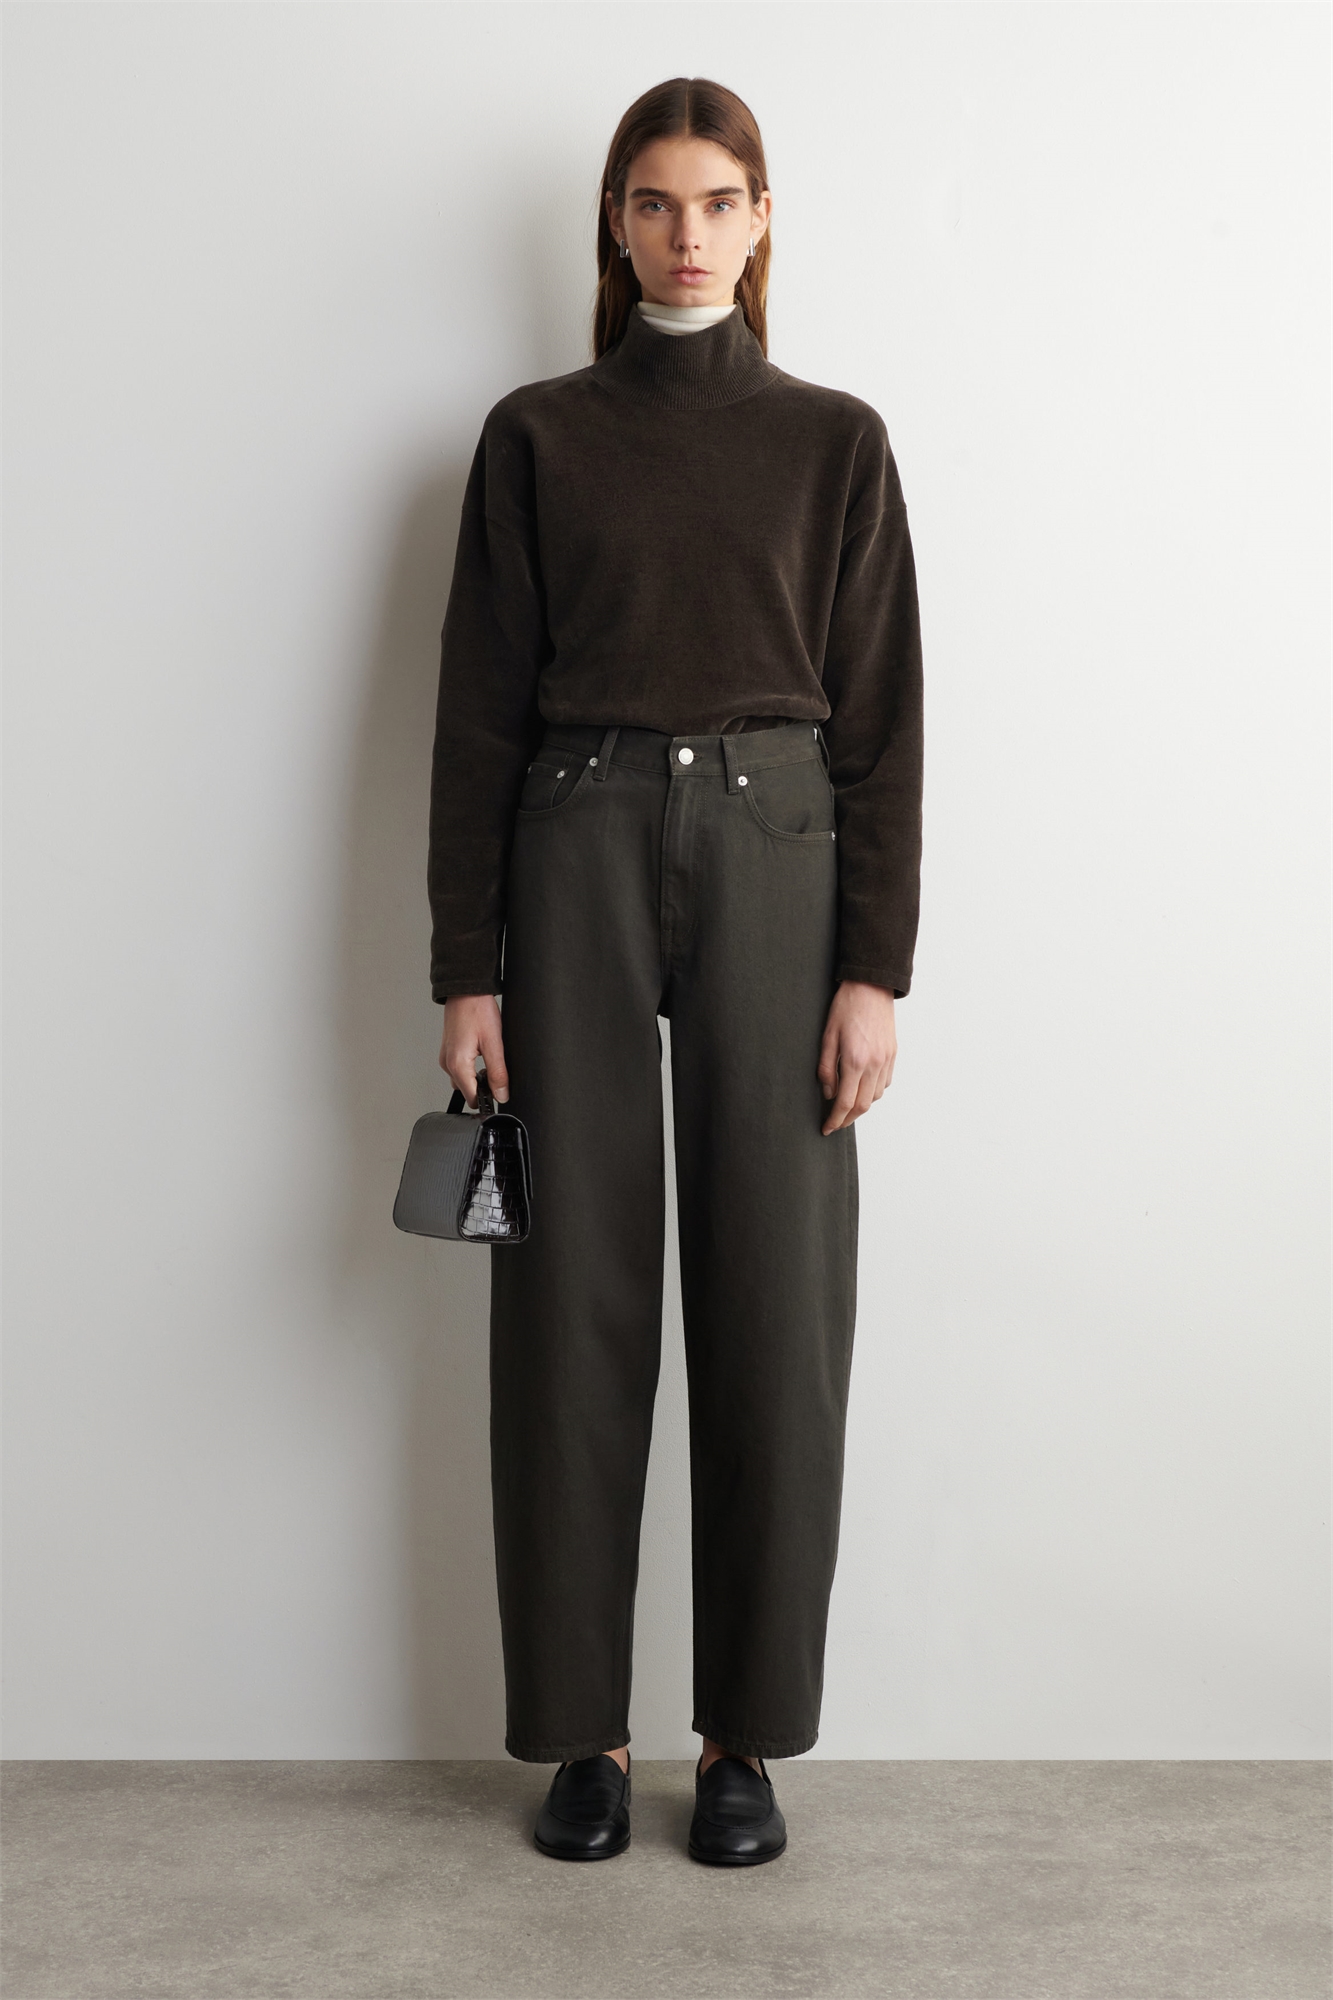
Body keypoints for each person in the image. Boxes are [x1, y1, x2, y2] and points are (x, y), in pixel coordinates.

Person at [427, 76, 923, 1867]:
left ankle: (741, 1742)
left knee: (776, 1296)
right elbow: (477, 712)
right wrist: (464, 967)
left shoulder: (834, 441)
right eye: (654, 202)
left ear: (762, 217)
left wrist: (874, 969)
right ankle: (580, 1733)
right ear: (615, 224)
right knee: (567, 1286)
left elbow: (882, 721)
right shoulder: (536, 437)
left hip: (782, 844)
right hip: (574, 834)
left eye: (718, 201)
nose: (687, 233)